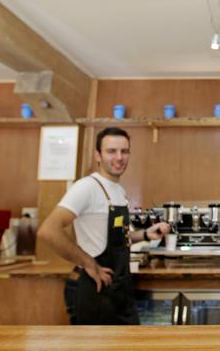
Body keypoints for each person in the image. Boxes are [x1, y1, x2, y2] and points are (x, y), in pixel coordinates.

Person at [38, 127, 170, 325]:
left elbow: (115, 237)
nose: (119, 157)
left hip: (120, 290)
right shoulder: (86, 187)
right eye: (111, 151)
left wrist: (144, 235)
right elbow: (48, 231)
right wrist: (89, 264)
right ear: (97, 155)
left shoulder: (117, 190)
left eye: (124, 151)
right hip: (96, 291)